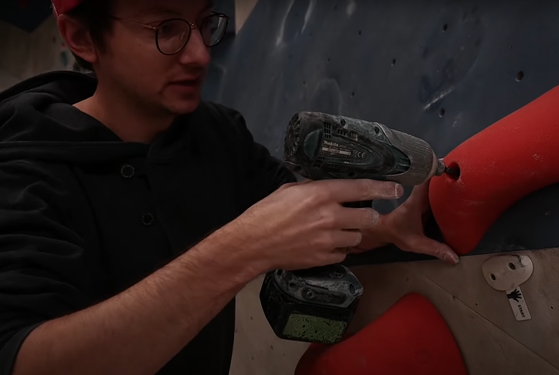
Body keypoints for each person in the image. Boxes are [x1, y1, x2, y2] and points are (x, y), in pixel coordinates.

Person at [0, 0, 459, 374]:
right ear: (82, 38)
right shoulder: (23, 170)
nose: (200, 54)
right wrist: (241, 250)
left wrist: (384, 228)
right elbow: (22, 358)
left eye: (204, 23)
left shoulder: (216, 131)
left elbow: (298, 222)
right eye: (166, 28)